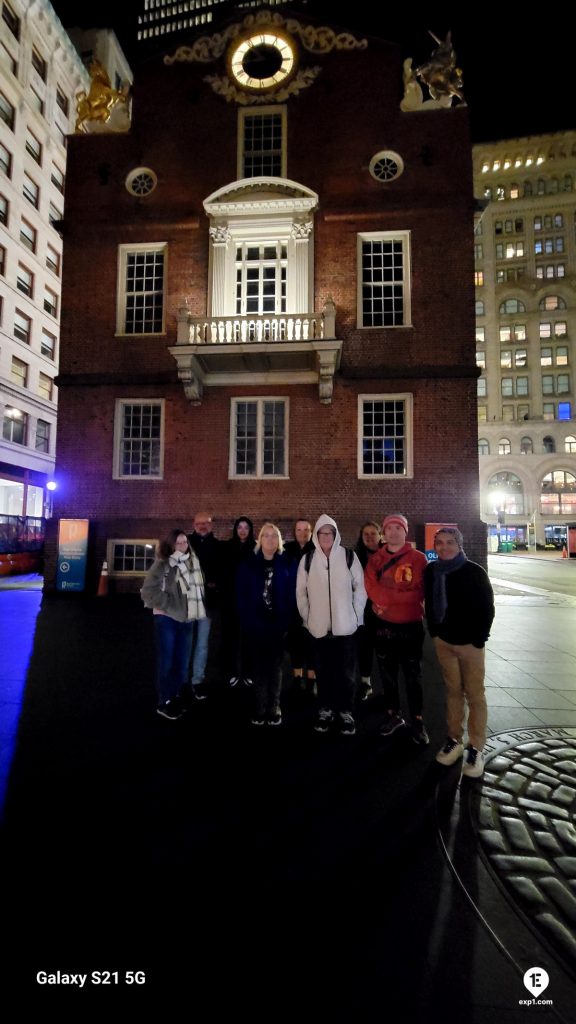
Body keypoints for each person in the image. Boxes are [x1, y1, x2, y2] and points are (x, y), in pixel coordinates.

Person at [425, 527, 494, 778]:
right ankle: (454, 738)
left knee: (475, 694)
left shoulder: (474, 572)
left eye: (450, 542)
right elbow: (430, 603)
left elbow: (487, 607)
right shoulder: (431, 571)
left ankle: (476, 746)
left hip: (469, 644)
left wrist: (479, 638)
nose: (444, 547)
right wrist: (434, 631)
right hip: (444, 642)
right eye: (439, 543)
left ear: (459, 544)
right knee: (453, 691)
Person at [296, 514, 366, 736]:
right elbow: (301, 593)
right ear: (316, 535)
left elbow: (360, 589)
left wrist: (355, 617)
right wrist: (307, 617)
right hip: (317, 629)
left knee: (346, 674)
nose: (326, 536)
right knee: (323, 672)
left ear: (335, 535)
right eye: (322, 532)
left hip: (345, 628)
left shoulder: (348, 557)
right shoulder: (307, 560)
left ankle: (346, 712)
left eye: (330, 532)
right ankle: (325, 709)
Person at [364, 514, 429, 744]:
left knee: (413, 676)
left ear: (405, 531)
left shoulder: (418, 559)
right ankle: (393, 715)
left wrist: (389, 599)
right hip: (384, 627)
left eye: (397, 528)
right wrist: (400, 597)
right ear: (384, 532)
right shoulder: (376, 559)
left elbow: (420, 592)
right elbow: (371, 588)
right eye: (388, 528)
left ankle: (418, 721)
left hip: (410, 626)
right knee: (387, 675)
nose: (393, 532)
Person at [141, 529, 206, 719]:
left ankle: (175, 695)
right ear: (170, 545)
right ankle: (164, 701)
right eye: (178, 543)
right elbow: (148, 591)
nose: (182, 546)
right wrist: (168, 605)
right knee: (167, 662)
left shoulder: (193, 563)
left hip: (187, 619)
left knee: (181, 663)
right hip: (166, 619)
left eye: (185, 542)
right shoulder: (162, 564)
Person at [236, 523, 297, 726]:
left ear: (279, 540)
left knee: (275, 667)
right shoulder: (248, 564)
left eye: (274, 536)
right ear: (259, 539)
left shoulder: (288, 562)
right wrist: (246, 619)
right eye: (266, 536)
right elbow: (241, 594)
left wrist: (287, 618)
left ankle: (274, 706)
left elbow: (293, 593)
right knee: (259, 667)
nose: (270, 539)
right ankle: (260, 706)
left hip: (277, 625)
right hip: (255, 624)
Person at [187, 512, 221, 697]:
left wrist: (213, 583)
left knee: (201, 644)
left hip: (207, 603)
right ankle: (183, 680)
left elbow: (221, 572)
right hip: (186, 604)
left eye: (206, 523)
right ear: (193, 524)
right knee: (185, 643)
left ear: (211, 525)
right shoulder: (184, 543)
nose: (202, 526)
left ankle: (197, 680)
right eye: (199, 523)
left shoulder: (217, 546)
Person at [221, 516, 256, 687]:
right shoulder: (228, 547)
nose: (242, 530)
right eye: (240, 527)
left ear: (250, 531)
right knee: (231, 638)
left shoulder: (256, 548)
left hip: (250, 601)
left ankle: (248, 672)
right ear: (235, 529)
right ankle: (231, 672)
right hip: (231, 600)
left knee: (250, 637)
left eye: (246, 528)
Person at [284, 518, 316, 694]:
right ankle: (297, 678)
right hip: (293, 604)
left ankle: (312, 679)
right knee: (295, 643)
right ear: (294, 531)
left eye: (306, 530)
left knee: (312, 643)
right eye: (299, 530)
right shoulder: (287, 550)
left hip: (314, 605)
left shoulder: (317, 550)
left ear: (311, 532)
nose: (302, 533)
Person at [354, 521, 383, 701]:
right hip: (363, 611)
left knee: (384, 650)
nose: (370, 537)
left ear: (380, 535)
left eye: (373, 533)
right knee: (364, 649)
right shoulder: (356, 556)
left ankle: (388, 686)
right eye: (366, 534)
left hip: (383, 611)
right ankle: (366, 682)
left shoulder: (387, 555)